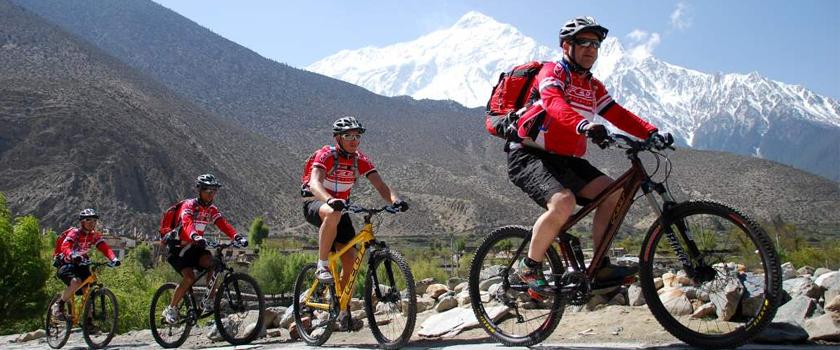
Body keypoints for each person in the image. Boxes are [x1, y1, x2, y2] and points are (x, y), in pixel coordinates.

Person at [508, 16, 670, 299]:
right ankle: (528, 266)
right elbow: (554, 104)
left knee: (615, 193)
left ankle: (601, 266)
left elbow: (617, 114)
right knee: (564, 202)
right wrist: (583, 125)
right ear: (565, 46)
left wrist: (650, 132)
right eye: (583, 42)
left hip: (566, 159)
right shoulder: (553, 72)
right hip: (528, 155)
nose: (590, 49)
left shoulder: (593, 86)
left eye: (595, 44)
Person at [301, 116, 407, 328]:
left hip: (340, 209)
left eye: (357, 136)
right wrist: (329, 199)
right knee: (332, 213)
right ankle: (322, 266)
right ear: (337, 138)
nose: (354, 140)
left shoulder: (360, 160)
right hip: (316, 204)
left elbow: (381, 186)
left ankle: (341, 310)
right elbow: (314, 183)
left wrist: (396, 200)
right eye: (348, 135)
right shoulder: (326, 155)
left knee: (350, 261)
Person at [161, 174, 247, 324]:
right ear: (199, 190)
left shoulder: (211, 209)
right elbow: (187, 223)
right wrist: (194, 236)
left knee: (214, 264)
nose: (211, 194)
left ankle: (209, 300)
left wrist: (237, 237)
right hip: (177, 248)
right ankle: (171, 308)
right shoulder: (189, 206)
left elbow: (223, 224)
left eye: (214, 191)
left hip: (195, 246)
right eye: (207, 190)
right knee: (189, 278)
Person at [51, 208, 120, 319]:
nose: (92, 223)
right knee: (76, 282)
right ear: (82, 222)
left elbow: (105, 248)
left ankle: (88, 322)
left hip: (81, 264)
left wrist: (114, 259)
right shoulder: (75, 233)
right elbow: (65, 246)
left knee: (87, 290)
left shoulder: (94, 235)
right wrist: (72, 254)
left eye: (94, 221)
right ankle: (58, 304)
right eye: (89, 220)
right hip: (66, 264)